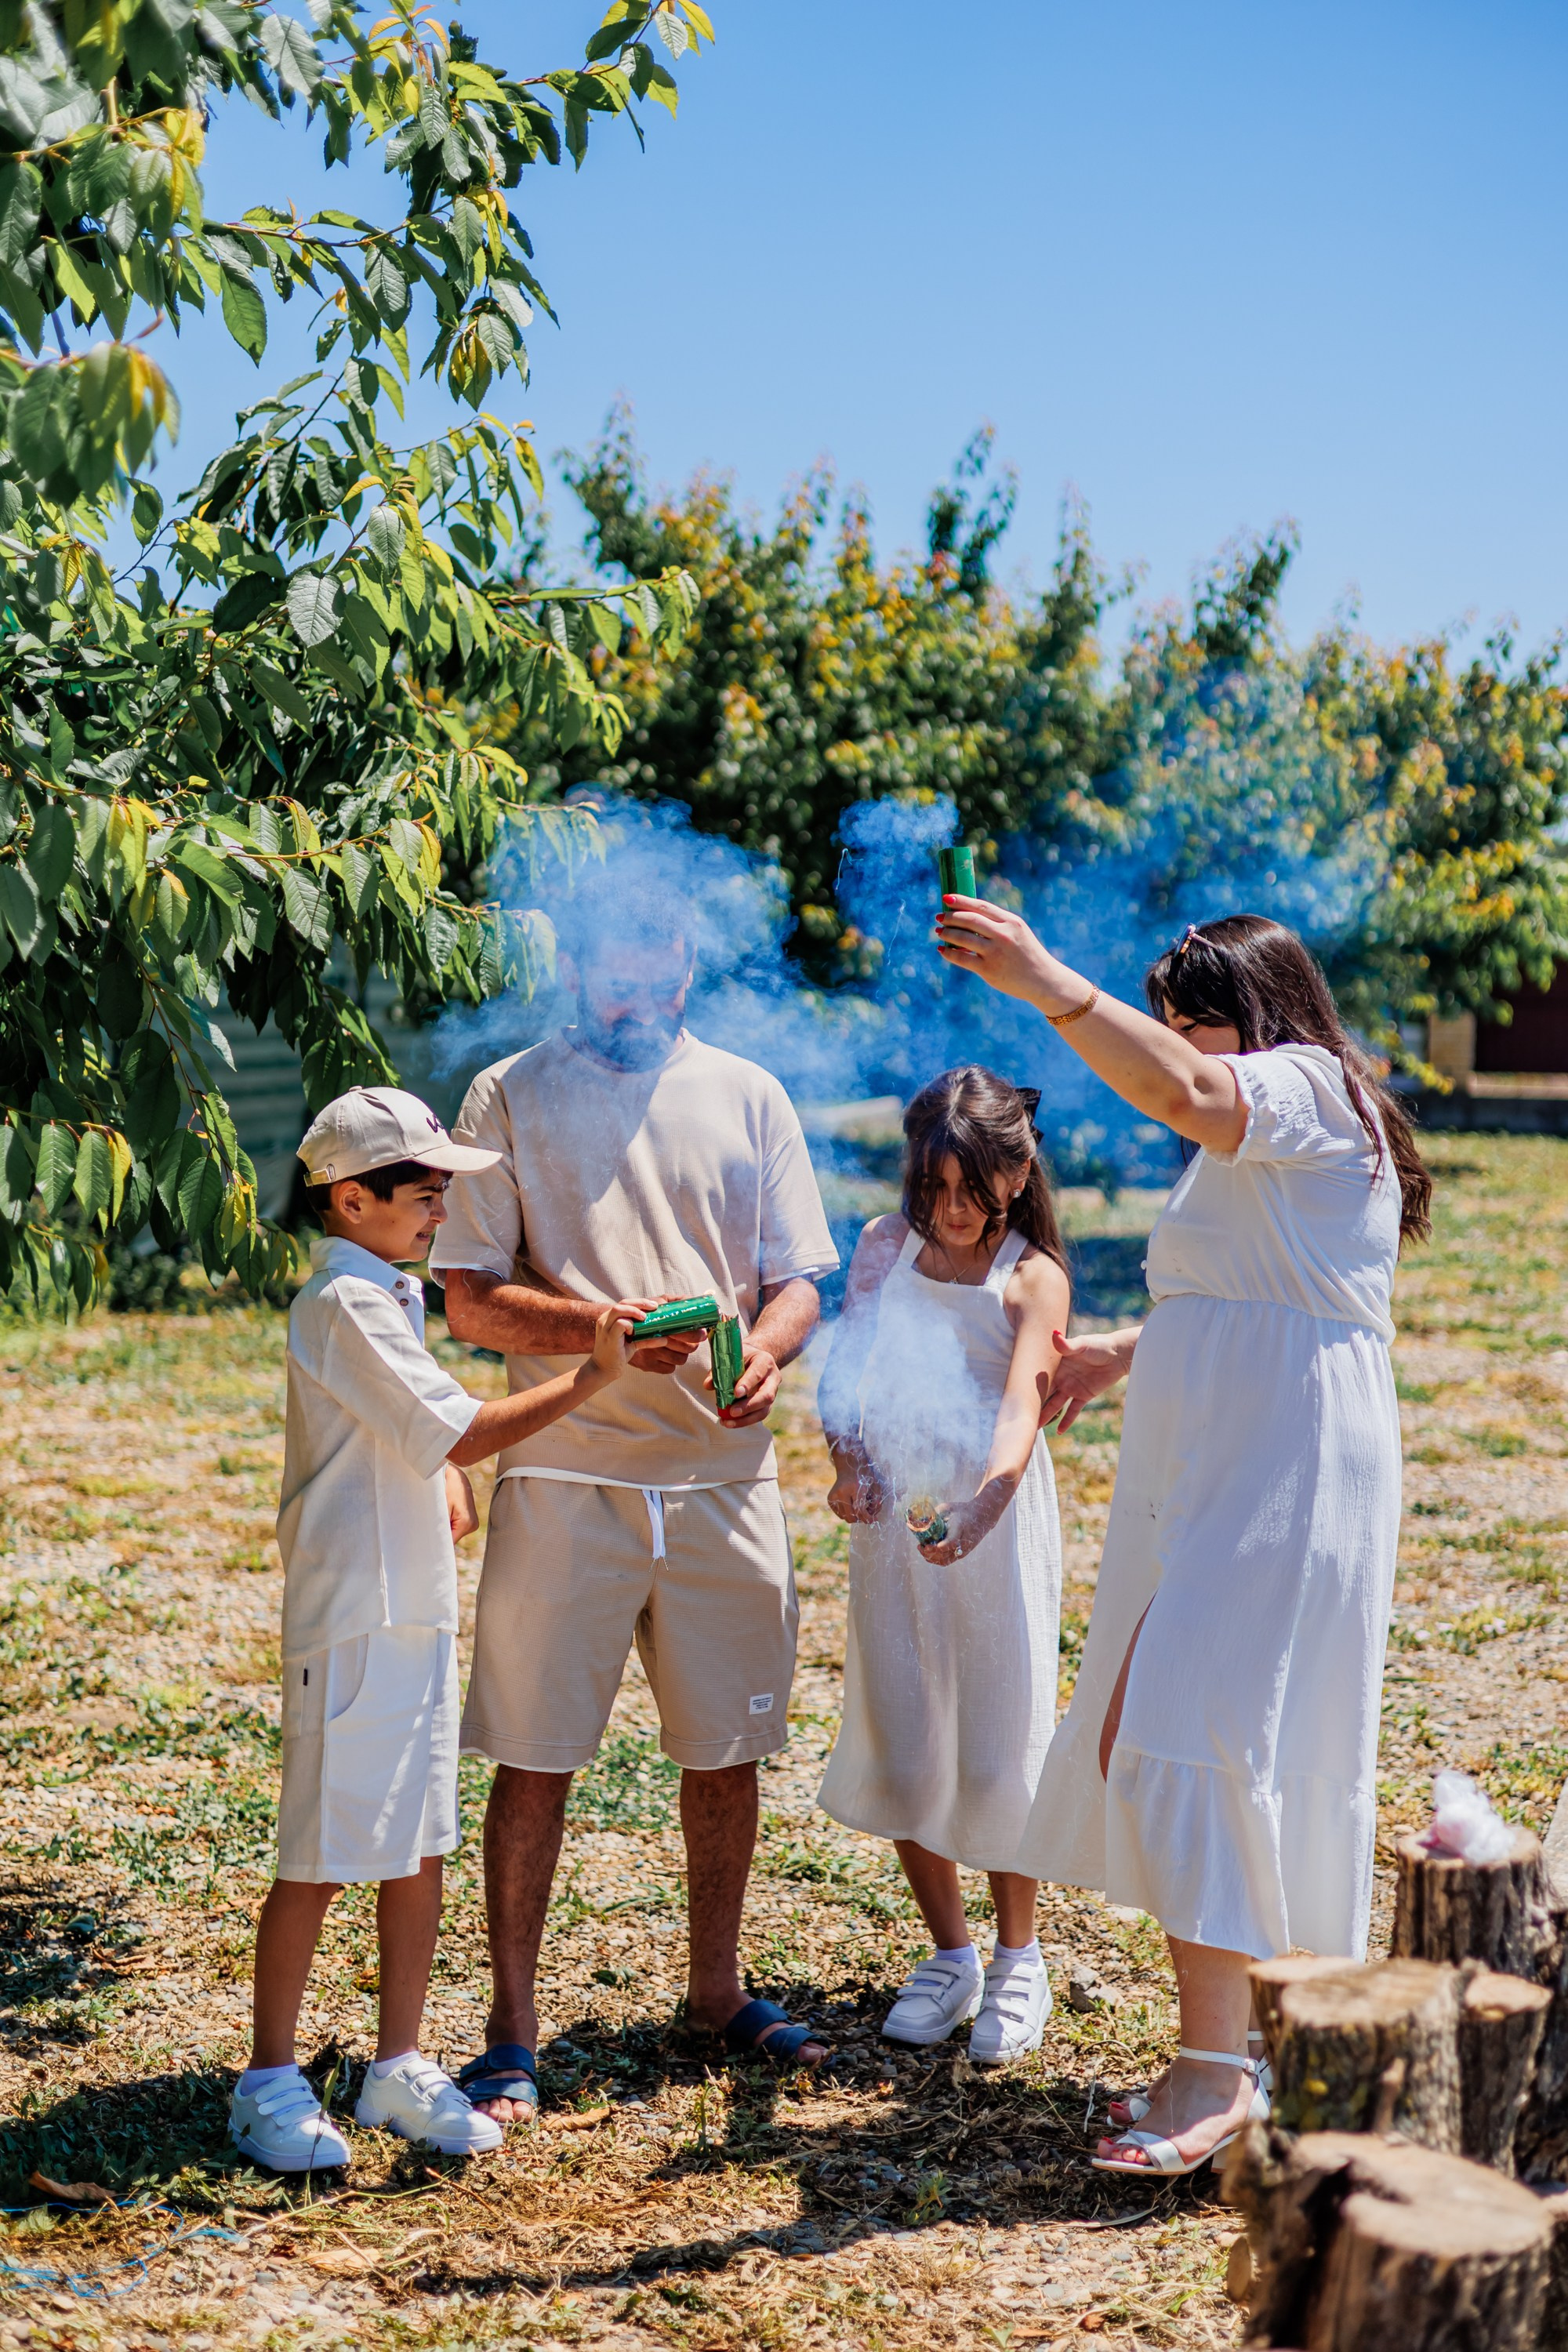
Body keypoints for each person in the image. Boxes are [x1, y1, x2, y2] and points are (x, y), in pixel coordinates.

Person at [935, 906, 1431, 2180]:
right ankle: (1246, 2039)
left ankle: (1221, 2065)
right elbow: (1278, 1290)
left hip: (1284, 1460)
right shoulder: (1267, 1135)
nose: (1169, 1042)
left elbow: (1201, 1089)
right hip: (1224, 1457)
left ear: (1256, 1013)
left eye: (1189, 1014)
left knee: (1200, 1732)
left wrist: (1050, 985)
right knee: (1155, 1727)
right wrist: (1121, 1353)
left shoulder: (1309, 1085)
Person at [430, 888, 840, 2122]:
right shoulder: (507, 1095)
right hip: (564, 1468)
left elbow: (798, 1279)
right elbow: (468, 1298)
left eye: (652, 950)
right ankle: (511, 2031)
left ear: (683, 957)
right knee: (535, 1755)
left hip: (724, 1480)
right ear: (574, 960)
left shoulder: (752, 1093)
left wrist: (767, 1350)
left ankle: (717, 1993)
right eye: (610, 954)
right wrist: (598, 1336)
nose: (632, 981)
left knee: (727, 1754)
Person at [230, 1086, 640, 2174]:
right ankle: (268, 2078)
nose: (440, 1211)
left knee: (415, 1843)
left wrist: (438, 1488)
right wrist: (591, 1375)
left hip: (412, 1613)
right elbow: (457, 1434)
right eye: (423, 1192)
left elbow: (408, 1444)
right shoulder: (347, 1304)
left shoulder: (390, 1293)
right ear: (350, 1198)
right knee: (319, 1854)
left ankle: (396, 2062)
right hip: (355, 1617)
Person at [816, 1068, 1069, 2063]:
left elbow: (1018, 1411)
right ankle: (950, 1952)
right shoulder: (884, 1248)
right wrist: (847, 1465)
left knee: (1000, 1733)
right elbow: (847, 1375)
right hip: (897, 1515)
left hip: (992, 1516)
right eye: (932, 1189)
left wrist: (983, 1506)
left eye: (973, 1191)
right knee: (909, 1723)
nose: (951, 1211)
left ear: (1015, 1175)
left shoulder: (1030, 1274)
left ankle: (1018, 1956)